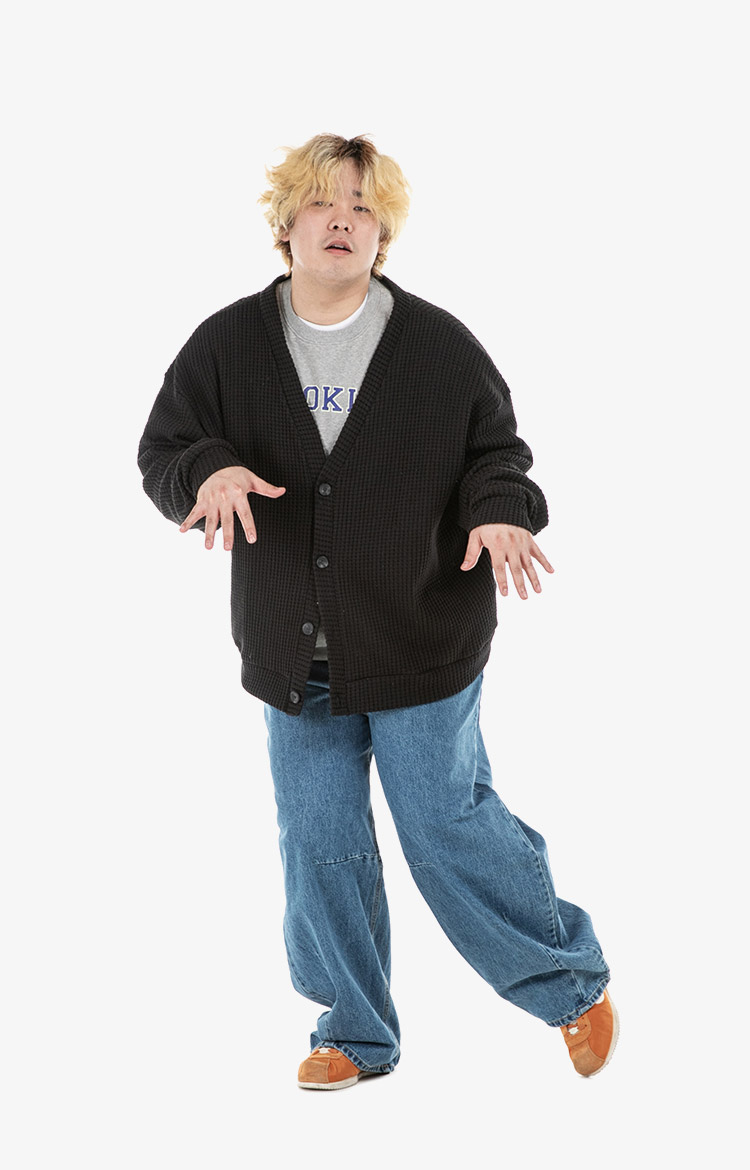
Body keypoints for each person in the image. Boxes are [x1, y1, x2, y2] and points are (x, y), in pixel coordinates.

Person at [138, 133, 617, 1090]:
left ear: (382, 234)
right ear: (287, 225)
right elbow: (165, 449)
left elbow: (498, 454)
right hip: (293, 652)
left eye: (363, 206)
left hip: (419, 635)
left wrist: (499, 511)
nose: (343, 219)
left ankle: (571, 983)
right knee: (320, 842)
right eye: (324, 201)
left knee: (445, 824)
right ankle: (354, 1034)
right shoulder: (226, 344)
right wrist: (207, 470)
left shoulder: (438, 346)